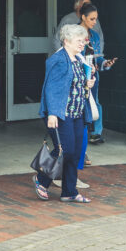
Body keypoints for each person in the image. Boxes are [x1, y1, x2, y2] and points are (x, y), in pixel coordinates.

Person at [33, 24, 96, 203]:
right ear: (66, 41)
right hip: (60, 113)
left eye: (83, 40)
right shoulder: (58, 60)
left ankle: (69, 192)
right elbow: (52, 89)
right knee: (65, 150)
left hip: (76, 113)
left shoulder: (78, 58)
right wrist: (52, 114)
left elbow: (75, 84)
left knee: (75, 153)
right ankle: (42, 179)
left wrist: (87, 84)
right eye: (79, 41)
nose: (82, 44)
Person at [79, 3, 117, 144]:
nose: (95, 22)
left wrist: (105, 63)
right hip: (79, 75)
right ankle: (80, 133)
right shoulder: (74, 33)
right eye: (92, 19)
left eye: (96, 19)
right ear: (83, 17)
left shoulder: (94, 35)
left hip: (93, 76)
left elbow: (98, 56)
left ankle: (96, 133)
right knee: (80, 103)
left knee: (95, 102)